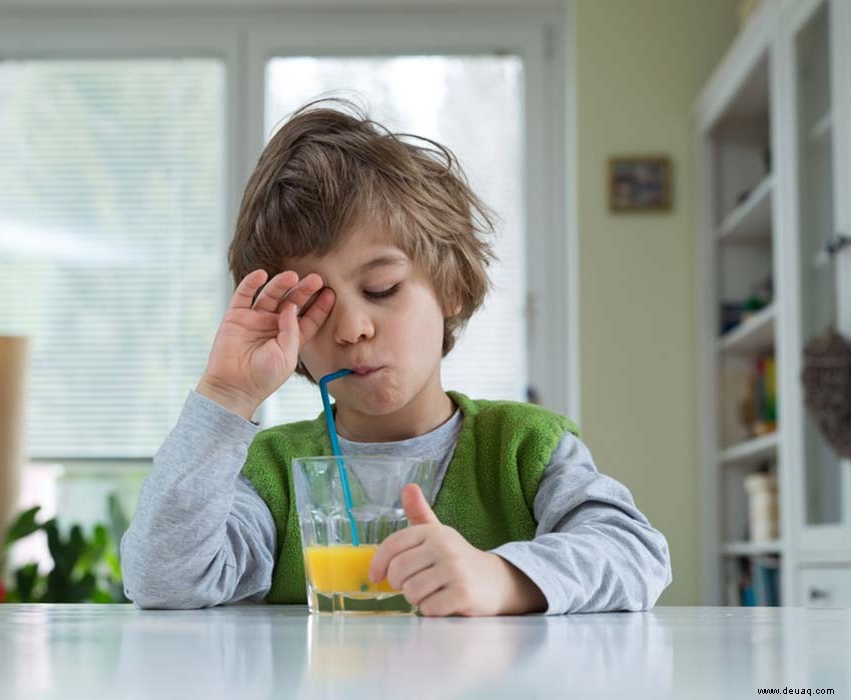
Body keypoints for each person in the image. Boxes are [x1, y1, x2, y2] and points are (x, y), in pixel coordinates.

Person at [120, 100, 671, 616]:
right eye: (314, 305)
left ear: (450, 289)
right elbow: (162, 581)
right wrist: (227, 395)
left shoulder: (524, 449)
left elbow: (635, 553)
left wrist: (500, 577)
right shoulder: (275, 475)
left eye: (382, 288)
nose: (354, 329)